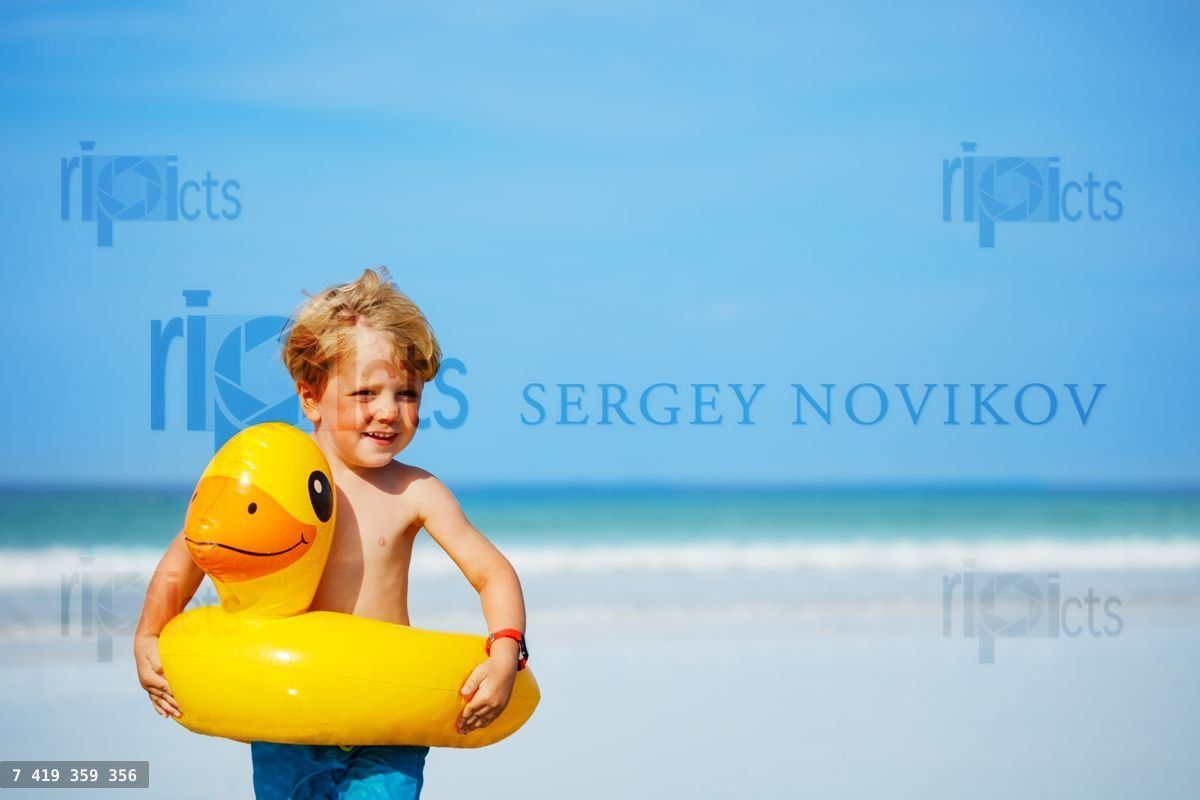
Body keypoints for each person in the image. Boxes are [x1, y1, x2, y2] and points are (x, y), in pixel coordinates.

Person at [133, 267, 529, 799]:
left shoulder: (416, 491)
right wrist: (149, 634)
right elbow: (192, 549)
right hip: (290, 710)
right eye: (366, 392)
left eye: (407, 394)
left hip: (386, 722)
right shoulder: (279, 479)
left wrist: (506, 650)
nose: (389, 412)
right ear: (311, 396)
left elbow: (491, 572)